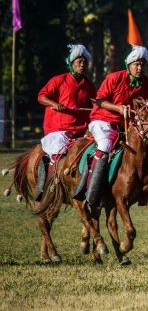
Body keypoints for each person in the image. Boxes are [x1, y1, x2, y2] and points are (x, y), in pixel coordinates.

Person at [82, 45, 148, 207]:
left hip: (131, 126)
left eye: (142, 65)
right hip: (104, 121)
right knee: (104, 145)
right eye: (136, 64)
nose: (139, 68)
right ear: (128, 65)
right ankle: (92, 190)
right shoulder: (114, 78)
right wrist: (118, 108)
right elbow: (100, 101)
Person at [36, 44, 97, 200]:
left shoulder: (89, 85)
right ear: (71, 63)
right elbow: (41, 97)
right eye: (79, 62)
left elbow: (95, 105)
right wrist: (54, 104)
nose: (82, 65)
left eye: (85, 62)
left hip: (82, 130)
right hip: (58, 128)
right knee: (57, 154)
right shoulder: (59, 80)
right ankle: (50, 183)